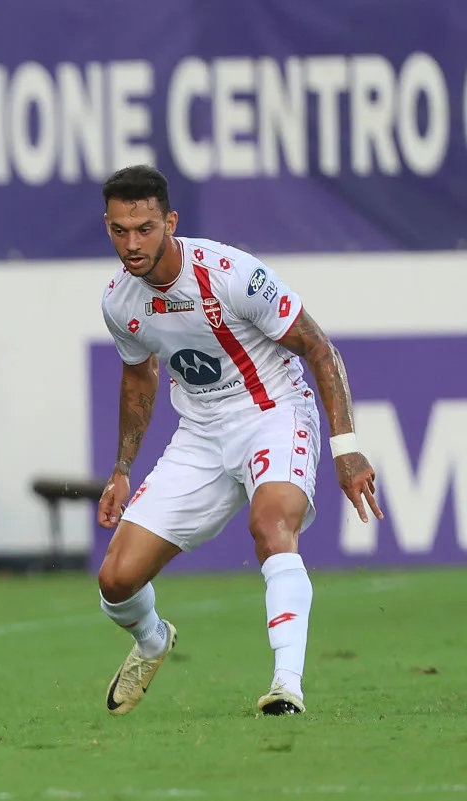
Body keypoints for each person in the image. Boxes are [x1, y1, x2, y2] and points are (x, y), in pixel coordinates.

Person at [94, 165, 383, 716]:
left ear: (170, 222)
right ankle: (154, 640)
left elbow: (319, 349)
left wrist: (347, 448)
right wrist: (122, 468)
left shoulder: (231, 275)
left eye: (146, 228)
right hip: (200, 433)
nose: (132, 244)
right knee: (116, 581)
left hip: (273, 411)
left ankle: (287, 687)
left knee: (271, 526)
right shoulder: (119, 303)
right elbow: (138, 376)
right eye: (119, 230)